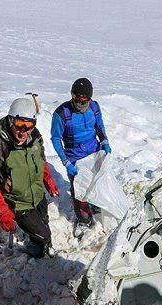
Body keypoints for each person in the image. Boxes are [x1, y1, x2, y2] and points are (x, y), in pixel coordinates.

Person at [0, 98, 59, 258]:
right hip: (18, 202)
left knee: (43, 227)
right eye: (18, 124)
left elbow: (40, 159)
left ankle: (37, 253)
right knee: (44, 234)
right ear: (10, 120)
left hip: (37, 195)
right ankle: (36, 250)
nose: (23, 131)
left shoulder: (34, 137)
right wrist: (3, 211)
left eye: (28, 126)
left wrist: (47, 179)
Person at [51, 78, 111, 237]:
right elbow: (56, 139)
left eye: (84, 101)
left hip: (93, 151)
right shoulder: (62, 114)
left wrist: (104, 141)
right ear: (72, 96)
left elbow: (99, 126)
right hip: (74, 155)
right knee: (79, 189)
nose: (81, 105)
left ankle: (96, 204)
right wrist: (66, 161)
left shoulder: (94, 107)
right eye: (77, 100)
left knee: (96, 180)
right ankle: (83, 220)